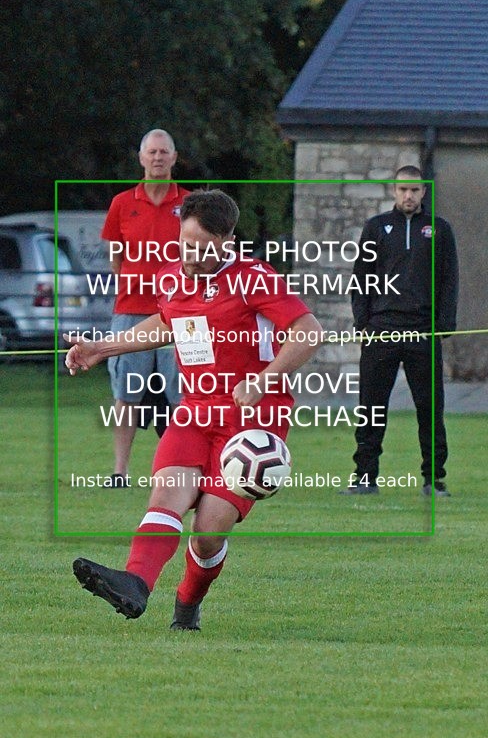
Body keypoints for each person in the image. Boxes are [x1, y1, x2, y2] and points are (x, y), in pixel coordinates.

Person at [64, 189, 322, 629]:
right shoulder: (173, 278)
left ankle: (186, 604)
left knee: (207, 533)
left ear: (227, 240)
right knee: (166, 498)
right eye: (186, 244)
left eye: (203, 248)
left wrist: (263, 380)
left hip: (252, 426)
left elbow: (308, 331)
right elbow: (166, 324)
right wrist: (101, 348)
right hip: (195, 413)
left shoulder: (254, 278)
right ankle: (135, 584)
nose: (192, 255)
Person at [342, 166, 458, 496]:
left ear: (424, 192)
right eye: (403, 190)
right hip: (382, 331)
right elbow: (361, 277)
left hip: (423, 332)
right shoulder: (376, 228)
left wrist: (444, 325)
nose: (409, 196)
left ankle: (433, 479)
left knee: (431, 409)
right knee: (371, 407)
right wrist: (362, 322)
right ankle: (365, 476)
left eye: (415, 190)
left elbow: (449, 280)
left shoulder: (440, 230)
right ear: (394, 190)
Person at [100, 129, 189, 487]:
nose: (157, 157)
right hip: (131, 310)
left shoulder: (191, 203)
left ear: (174, 157)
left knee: (184, 393)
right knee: (126, 394)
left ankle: (183, 470)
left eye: (163, 152)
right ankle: (120, 472)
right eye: (151, 152)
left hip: (182, 313)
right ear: (141, 158)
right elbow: (115, 258)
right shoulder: (122, 203)